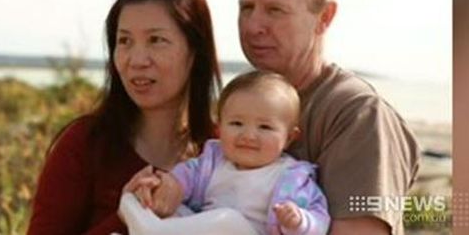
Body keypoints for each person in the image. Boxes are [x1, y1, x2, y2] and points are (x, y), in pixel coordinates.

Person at [237, 0, 420, 235]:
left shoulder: (357, 114)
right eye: (247, 7)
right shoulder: (243, 102)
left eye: (275, 10)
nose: (253, 26)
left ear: (324, 16)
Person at [27, 0, 222, 235]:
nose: (137, 59)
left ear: (195, 52)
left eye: (156, 40)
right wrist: (127, 215)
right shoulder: (84, 145)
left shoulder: (226, 151)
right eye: (124, 41)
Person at [133, 71, 330, 235]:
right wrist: (167, 187)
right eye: (236, 123)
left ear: (288, 138)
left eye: (265, 127)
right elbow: (181, 179)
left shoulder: (293, 178)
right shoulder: (210, 163)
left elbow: (320, 220)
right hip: (203, 229)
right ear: (219, 129)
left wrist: (299, 222)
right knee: (167, 214)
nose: (249, 135)